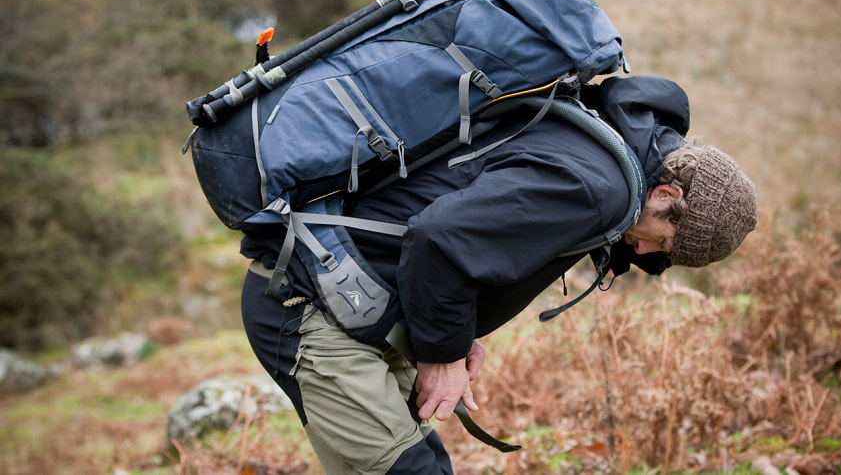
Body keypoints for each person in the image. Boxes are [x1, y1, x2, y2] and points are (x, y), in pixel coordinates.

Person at [239, 74, 757, 474]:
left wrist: (454, 333)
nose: (642, 251)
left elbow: (461, 231)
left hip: (362, 305)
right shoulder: (602, 189)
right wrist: (442, 356)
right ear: (668, 194)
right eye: (659, 241)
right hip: (311, 305)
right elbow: (439, 237)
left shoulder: (601, 138)